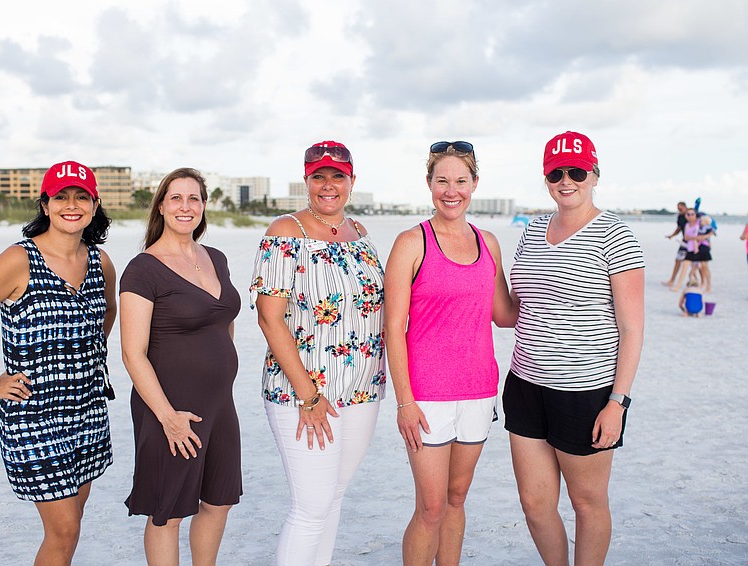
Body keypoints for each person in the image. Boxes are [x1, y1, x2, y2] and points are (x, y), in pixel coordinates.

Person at [0, 160, 116, 565]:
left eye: (81, 197)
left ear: (95, 205)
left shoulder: (100, 261)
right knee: (64, 530)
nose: (71, 205)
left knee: (70, 527)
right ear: (45, 205)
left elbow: (107, 311)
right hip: (34, 416)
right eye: (61, 197)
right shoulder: (19, 259)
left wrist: (84, 358)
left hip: (88, 411)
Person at [503, 132, 645, 566]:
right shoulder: (532, 230)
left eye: (577, 172)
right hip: (525, 385)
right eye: (556, 173)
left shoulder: (615, 236)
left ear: (595, 175)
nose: (566, 181)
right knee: (535, 504)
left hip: (585, 393)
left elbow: (632, 329)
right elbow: (513, 309)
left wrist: (617, 402)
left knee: (587, 503)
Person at [250, 140, 386, 566]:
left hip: (362, 390)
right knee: (310, 508)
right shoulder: (285, 232)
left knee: (332, 499)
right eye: (319, 176)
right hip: (304, 393)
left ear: (352, 181)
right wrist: (308, 395)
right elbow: (269, 318)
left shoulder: (360, 233)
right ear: (306, 181)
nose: (329, 185)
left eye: (337, 176)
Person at [384, 140, 518, 565]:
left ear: (474, 184)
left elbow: (505, 314)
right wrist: (404, 402)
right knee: (431, 507)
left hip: (478, 390)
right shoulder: (411, 242)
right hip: (426, 396)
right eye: (442, 181)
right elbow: (392, 328)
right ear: (429, 184)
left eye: (461, 181)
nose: (451, 190)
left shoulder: (489, 243)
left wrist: (556, 283)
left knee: (457, 498)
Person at [120, 168, 242, 566]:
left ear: (204, 206)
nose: (185, 206)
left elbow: (223, 321)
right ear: (161, 206)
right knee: (167, 513)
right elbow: (132, 353)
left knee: (219, 501)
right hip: (170, 408)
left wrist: (219, 370)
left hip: (219, 405)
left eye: (194, 198)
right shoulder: (143, 269)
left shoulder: (216, 258)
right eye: (176, 198)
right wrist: (167, 416)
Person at [662, 201, 688, 287]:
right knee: (678, 260)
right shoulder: (680, 216)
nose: (679, 210)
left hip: (694, 242)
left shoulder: (691, 214)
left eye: (680, 208)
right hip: (684, 242)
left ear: (685, 207)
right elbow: (679, 228)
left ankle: (700, 282)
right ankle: (672, 280)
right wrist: (671, 235)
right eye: (678, 208)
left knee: (696, 264)